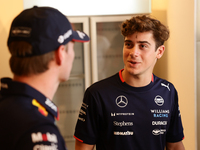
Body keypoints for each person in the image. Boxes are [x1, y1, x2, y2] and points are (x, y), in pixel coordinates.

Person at [74, 15, 185, 150]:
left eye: (143, 46)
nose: (133, 52)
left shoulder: (168, 91)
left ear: (159, 52)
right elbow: (83, 148)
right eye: (129, 44)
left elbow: (175, 145)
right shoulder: (97, 94)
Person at [0, 6, 89, 150]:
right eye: (72, 47)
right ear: (61, 54)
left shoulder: (7, 106)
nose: (73, 55)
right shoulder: (39, 132)